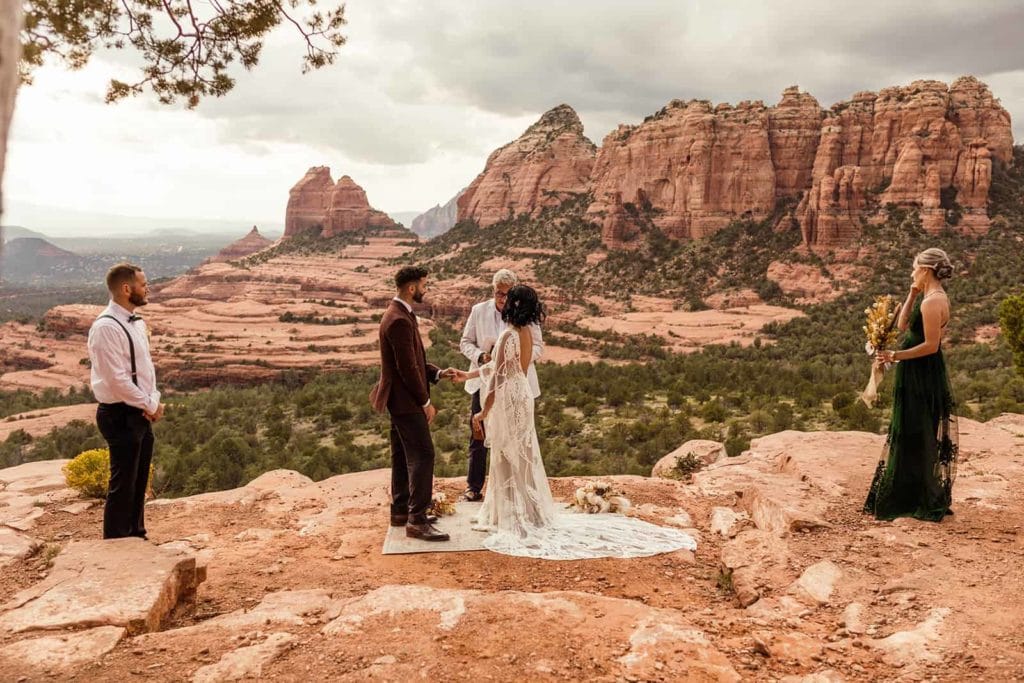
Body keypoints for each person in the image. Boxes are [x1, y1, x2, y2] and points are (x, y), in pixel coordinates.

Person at [451, 285, 696, 560]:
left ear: (514, 304)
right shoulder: (527, 332)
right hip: (522, 395)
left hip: (508, 397)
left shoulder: (508, 333)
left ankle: (510, 516)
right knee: (523, 453)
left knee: (507, 453)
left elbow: (497, 376)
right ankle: (526, 512)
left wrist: (483, 411)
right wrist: (466, 375)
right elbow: (507, 369)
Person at [865, 248, 959, 522]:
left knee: (917, 429)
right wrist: (912, 293)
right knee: (911, 426)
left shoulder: (934, 302)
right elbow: (904, 324)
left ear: (927, 270)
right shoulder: (927, 297)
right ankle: (912, 492)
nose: (912, 273)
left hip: (921, 371)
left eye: (915, 268)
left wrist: (895, 355)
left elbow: (931, 346)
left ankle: (915, 496)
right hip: (914, 370)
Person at [370, 265, 455, 542]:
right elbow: (407, 369)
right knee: (423, 455)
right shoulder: (398, 320)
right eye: (423, 285)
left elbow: (416, 360)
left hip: (399, 400)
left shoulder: (401, 315)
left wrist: (439, 373)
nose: (425, 289)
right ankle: (416, 519)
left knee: (401, 455)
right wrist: (426, 401)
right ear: (411, 287)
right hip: (406, 402)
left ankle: (400, 511)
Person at [87, 263, 164, 540]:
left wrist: (152, 400)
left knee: (139, 480)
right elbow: (117, 380)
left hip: (139, 411)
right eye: (144, 285)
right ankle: (117, 543)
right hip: (119, 414)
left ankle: (136, 535)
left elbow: (146, 369)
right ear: (126, 288)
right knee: (123, 484)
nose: (147, 289)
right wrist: (149, 405)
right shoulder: (106, 328)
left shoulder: (137, 322)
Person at [458, 269, 543, 502]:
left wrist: (511, 358)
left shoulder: (523, 317)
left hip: (513, 384)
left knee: (514, 437)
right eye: (498, 293)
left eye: (506, 294)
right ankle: (474, 486)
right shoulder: (478, 311)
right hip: (484, 381)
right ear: (492, 290)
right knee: (479, 435)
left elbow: (538, 347)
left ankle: (513, 492)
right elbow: (465, 342)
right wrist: (482, 357)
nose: (502, 299)